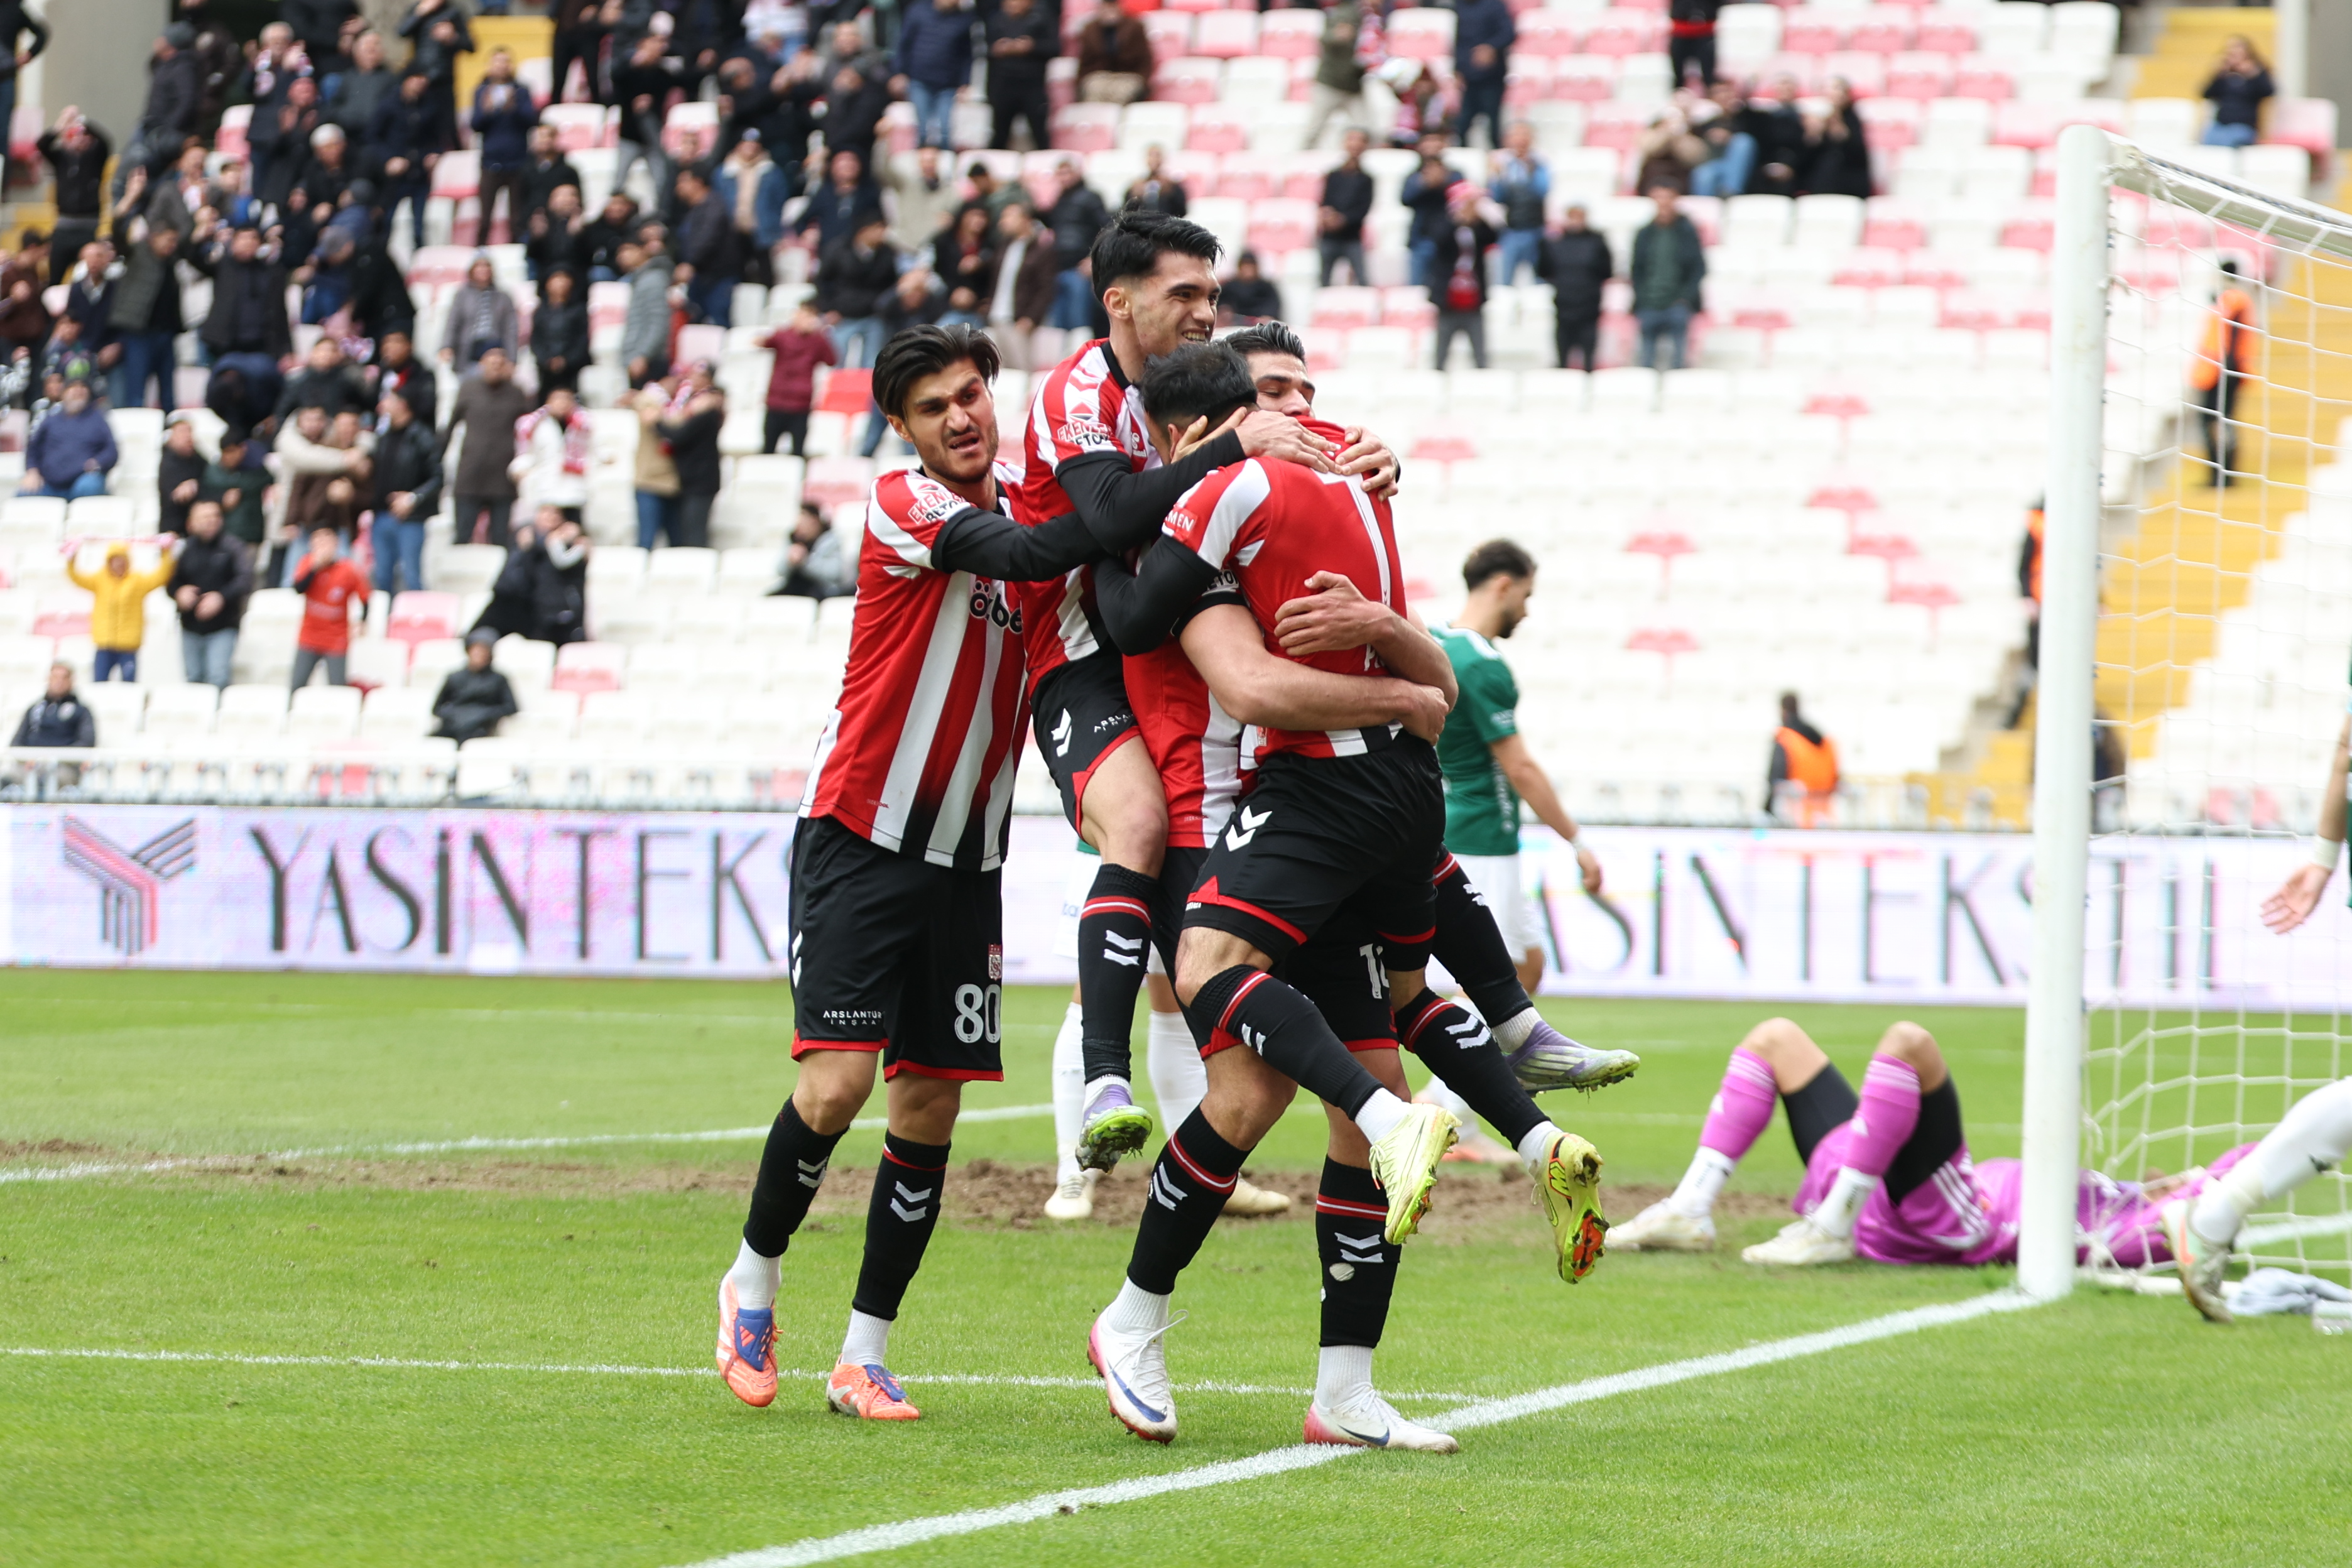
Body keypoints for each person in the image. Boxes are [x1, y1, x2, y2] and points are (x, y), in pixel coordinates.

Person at [1085, 340, 1598, 1451]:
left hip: (1319, 805)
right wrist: (1404, 702)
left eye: (1306, 395)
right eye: (1271, 396)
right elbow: (1240, 678)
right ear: (1211, 420)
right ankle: (1129, 1319)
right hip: (1219, 814)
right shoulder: (1187, 528)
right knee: (1248, 1098)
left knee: (1360, 1089)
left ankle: (1346, 1387)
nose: (1299, 414)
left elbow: (1429, 677)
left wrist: (1400, 668)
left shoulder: (1317, 507)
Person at [711, 324, 1173, 1420]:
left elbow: (1080, 612)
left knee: (927, 1107)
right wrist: (1131, 503)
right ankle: (751, 1278)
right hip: (859, 838)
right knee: (835, 1088)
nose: (961, 417)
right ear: (903, 430)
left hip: (968, 860)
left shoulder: (1029, 520)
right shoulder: (903, 504)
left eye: (972, 395)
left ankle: (863, 1354)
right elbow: (1020, 557)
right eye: (935, 407)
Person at [1004, 210, 1341, 1173]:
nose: (1204, 313)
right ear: (1119, 301)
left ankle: (1283, 1111)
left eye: (1211, 294)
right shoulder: (1079, 390)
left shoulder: (1185, 395)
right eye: (1182, 294)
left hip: (1163, 649)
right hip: (1080, 653)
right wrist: (1232, 450)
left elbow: (1268, 431)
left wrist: (1365, 458)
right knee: (1139, 832)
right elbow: (1110, 513)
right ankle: (1103, 1089)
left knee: (1217, 901)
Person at [1611, 1018, 2230, 1271]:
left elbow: (2219, 1190)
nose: (2175, 1180)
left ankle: (1832, 1227)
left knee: (1909, 1041)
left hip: (1941, 1211)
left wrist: (2215, 1188)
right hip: (1869, 1170)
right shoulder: (2120, 1190)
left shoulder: (2128, 1223)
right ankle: (1688, 1211)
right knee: (1775, 1038)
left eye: (2182, 1184)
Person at [1432, 541, 1604, 996]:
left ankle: (1503, 1067)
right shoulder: (1483, 664)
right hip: (1484, 837)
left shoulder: (1436, 642)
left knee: (1528, 965)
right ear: (1503, 586)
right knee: (1487, 977)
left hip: (1462, 827)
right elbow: (1520, 769)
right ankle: (1454, 1072)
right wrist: (1577, 841)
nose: (1526, 611)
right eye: (1526, 596)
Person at [448, 347, 530, 546]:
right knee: (462, 537)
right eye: (491, 363)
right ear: (481, 365)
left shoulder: (517, 393)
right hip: (471, 473)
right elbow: (451, 425)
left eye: (500, 364)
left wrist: (525, 463)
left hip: (503, 476)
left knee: (501, 540)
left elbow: (529, 428)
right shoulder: (468, 389)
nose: (496, 368)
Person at [169, 499, 254, 689]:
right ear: (192, 522)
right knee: (193, 679)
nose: (211, 521)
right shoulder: (186, 549)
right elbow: (172, 581)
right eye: (205, 517)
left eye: (215, 516)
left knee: (218, 677)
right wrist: (179, 592)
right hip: (190, 626)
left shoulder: (233, 547)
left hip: (223, 626)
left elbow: (245, 580)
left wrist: (221, 597)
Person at [67, 540, 178, 683]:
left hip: (128, 645)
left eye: (121, 560)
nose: (118, 564)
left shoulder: (137, 581)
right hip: (104, 643)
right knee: (99, 684)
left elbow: (160, 576)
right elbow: (77, 578)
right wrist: (71, 560)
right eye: (115, 561)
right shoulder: (100, 580)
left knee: (129, 685)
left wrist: (166, 553)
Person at [369, 384, 443, 595]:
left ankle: (416, 622)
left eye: (389, 400)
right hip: (382, 514)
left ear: (402, 405)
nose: (383, 406)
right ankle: (386, 623)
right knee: (382, 576)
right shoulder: (383, 437)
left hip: (411, 518)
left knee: (411, 576)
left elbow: (438, 477)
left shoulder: (422, 437)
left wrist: (413, 498)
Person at [104, 218, 183, 412]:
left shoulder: (171, 262)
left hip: (166, 334)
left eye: (175, 241)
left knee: (168, 394)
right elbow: (118, 235)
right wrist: (127, 204)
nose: (172, 245)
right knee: (137, 393)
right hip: (139, 334)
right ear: (154, 238)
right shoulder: (136, 253)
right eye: (168, 240)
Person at [190, 222, 293, 365]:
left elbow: (280, 312)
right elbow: (193, 258)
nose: (248, 243)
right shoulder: (223, 266)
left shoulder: (271, 273)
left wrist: (287, 350)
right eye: (243, 238)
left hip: (261, 345)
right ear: (233, 243)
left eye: (253, 239)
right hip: (224, 342)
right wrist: (201, 236)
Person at [2193, 258, 2257, 487]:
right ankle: (2220, 473)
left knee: (2218, 421)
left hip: (2222, 372)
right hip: (2215, 371)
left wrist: (2229, 370)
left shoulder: (2235, 301)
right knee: (2216, 421)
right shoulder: (2229, 300)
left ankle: (2224, 473)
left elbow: (2233, 338)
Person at [1630, 184, 1705, 370]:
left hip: (1678, 303)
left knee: (1678, 361)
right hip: (1649, 302)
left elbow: (1698, 267)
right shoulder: (1645, 234)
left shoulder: (1687, 232)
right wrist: (1642, 296)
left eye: (1667, 198)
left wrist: (1686, 298)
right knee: (1646, 361)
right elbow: (1637, 269)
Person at [469, 49, 539, 242]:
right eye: (497, 62)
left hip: (518, 162)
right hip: (490, 162)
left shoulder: (521, 91)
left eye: (506, 62)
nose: (502, 66)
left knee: (517, 218)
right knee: (484, 218)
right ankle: (480, 256)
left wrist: (513, 108)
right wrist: (488, 111)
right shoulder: (482, 91)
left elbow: (532, 120)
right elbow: (476, 125)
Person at [816, 214, 900, 371]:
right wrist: (827, 309)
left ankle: (867, 395)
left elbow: (892, 284)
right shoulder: (839, 249)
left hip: (874, 315)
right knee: (835, 362)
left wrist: (883, 306)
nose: (883, 233)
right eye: (878, 229)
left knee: (871, 365)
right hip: (843, 315)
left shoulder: (887, 253)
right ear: (864, 231)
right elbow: (823, 281)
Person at [291, 526, 370, 689]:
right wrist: (315, 567)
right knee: (297, 685)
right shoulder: (307, 563)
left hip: (336, 639)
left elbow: (366, 597)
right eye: (318, 543)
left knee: (337, 688)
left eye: (326, 543)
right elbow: (298, 588)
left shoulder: (348, 570)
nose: (323, 547)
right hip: (309, 636)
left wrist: (362, 620)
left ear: (336, 545)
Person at [1537, 204, 1611, 371]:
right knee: (1563, 359)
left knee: (1589, 360)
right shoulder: (1554, 243)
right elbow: (1544, 271)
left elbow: (1606, 271)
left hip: (1589, 308)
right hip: (1564, 306)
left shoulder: (1597, 243)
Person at [37, 110, 109, 284]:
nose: (81, 139)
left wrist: (82, 121)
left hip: (88, 226)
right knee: (55, 277)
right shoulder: (62, 159)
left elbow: (105, 141)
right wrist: (61, 124)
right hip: (64, 225)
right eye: (76, 135)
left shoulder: (95, 159)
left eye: (85, 135)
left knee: (86, 278)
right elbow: (42, 144)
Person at [986, 202, 1058, 373]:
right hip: (997, 316)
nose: (1003, 222)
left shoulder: (1041, 250)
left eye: (1009, 217)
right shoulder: (1003, 246)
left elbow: (1046, 288)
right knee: (999, 370)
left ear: (1025, 219)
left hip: (1019, 318)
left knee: (1022, 369)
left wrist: (1031, 317)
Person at [891, 0, 973, 151]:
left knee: (945, 131)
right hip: (919, 80)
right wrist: (899, 73)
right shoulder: (918, 11)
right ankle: (921, 167)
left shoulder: (964, 20)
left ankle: (944, 169)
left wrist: (965, 83)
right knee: (922, 130)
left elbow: (967, 56)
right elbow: (904, 43)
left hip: (948, 84)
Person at [1429, 188, 1496, 369]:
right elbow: (1439, 241)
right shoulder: (1443, 222)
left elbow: (1493, 237)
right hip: (1448, 299)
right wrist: (1456, 221)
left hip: (1473, 300)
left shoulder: (1477, 228)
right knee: (1441, 352)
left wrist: (1477, 218)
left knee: (1480, 353)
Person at [1044, 160, 1111, 340]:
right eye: (1061, 173)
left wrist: (1093, 258)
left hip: (1080, 269)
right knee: (1058, 327)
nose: (1064, 178)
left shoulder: (1091, 197)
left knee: (1079, 324)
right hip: (1058, 267)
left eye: (1068, 172)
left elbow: (1107, 228)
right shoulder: (1059, 201)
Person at [762, 299, 836, 456]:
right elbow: (763, 342)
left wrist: (822, 334)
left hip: (800, 404)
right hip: (777, 401)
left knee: (798, 451)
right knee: (768, 449)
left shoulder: (818, 340)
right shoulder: (783, 335)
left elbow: (831, 360)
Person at [19, 379, 115, 500]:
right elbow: (33, 449)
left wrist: (97, 463)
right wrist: (32, 472)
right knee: (24, 495)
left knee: (89, 486)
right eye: (73, 388)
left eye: (83, 388)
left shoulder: (98, 419)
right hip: (50, 485)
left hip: (83, 480)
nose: (78, 391)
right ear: (63, 394)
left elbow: (111, 450)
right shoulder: (50, 420)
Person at [511, 384, 591, 525]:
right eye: (558, 399)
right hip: (546, 486)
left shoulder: (584, 424)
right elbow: (527, 451)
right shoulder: (536, 425)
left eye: (566, 399)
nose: (562, 404)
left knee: (571, 528)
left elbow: (594, 449)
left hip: (573, 487)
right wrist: (520, 468)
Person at [660, 378, 726, 548]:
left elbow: (678, 437)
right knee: (688, 530)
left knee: (694, 532)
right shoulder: (702, 417)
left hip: (700, 483)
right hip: (692, 481)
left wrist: (656, 423)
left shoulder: (707, 417)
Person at [985, 0, 1054, 153]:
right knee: (1000, 135)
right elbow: (983, 50)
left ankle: (1045, 165)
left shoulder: (1041, 19)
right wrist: (997, 49)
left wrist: (1032, 47)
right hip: (1003, 85)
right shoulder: (996, 21)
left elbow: (1055, 47)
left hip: (1032, 85)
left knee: (1040, 135)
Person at [1304, 0, 1373, 150]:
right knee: (1314, 130)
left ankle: (1362, 166)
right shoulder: (1346, 13)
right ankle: (1299, 163)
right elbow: (1326, 39)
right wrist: (1337, 36)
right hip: (1331, 83)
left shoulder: (1375, 19)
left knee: (1366, 129)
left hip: (1354, 86)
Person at [432, 627, 520, 743]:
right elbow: (437, 708)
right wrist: (455, 715)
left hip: (481, 728)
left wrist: (484, 714)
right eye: (475, 650)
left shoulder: (499, 679)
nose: (478, 654)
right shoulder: (455, 677)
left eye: (483, 650)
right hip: (453, 726)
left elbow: (511, 708)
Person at [1489, 122, 1549, 286]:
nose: (1520, 141)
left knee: (1539, 279)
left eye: (1524, 135)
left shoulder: (1540, 163)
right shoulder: (1504, 164)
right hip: (1511, 229)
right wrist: (1497, 175)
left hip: (1536, 228)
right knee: (1504, 281)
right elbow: (1496, 196)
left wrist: (1531, 170)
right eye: (1516, 136)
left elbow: (1542, 190)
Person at [1398, 131, 1459, 289]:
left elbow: (1462, 201)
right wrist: (1425, 185)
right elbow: (1405, 199)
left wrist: (1443, 182)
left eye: (1436, 143)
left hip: (1447, 240)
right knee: (1416, 289)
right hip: (1420, 237)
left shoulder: (1454, 174)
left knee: (1443, 289)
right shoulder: (1414, 176)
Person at [1768, 690, 1838, 824]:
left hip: (1794, 817)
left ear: (1782, 710)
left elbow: (1775, 779)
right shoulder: (1823, 740)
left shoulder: (1785, 738)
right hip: (1824, 818)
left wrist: (1768, 810)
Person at [1454, 0, 1514, 150]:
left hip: (1491, 77)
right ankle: (1464, 155)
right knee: (1463, 123)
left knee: (1492, 122)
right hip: (1468, 76)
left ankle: (1497, 156)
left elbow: (1508, 33)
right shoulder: (1459, 6)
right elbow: (1458, 40)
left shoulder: (1494, 6)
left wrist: (1491, 47)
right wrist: (1457, 68)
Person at [441, 254, 520, 369]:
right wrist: (447, 346)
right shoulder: (462, 296)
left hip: (495, 348)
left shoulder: (503, 297)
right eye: (479, 266)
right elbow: (453, 323)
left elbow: (510, 329)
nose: (483, 270)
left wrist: (512, 359)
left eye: (487, 266)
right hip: (469, 348)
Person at [1317, 129, 1374, 286]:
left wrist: (1343, 220)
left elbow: (1364, 208)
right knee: (1323, 281)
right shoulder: (1333, 175)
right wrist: (1328, 217)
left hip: (1352, 237)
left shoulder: (1366, 179)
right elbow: (1324, 201)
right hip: (1329, 237)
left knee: (1362, 280)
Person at [1797, 78, 1871, 199]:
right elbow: (1806, 156)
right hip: (1819, 181)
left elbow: (1856, 153)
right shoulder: (1815, 119)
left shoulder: (1852, 119)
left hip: (1848, 179)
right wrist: (1813, 135)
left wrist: (1836, 124)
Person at [619, 234, 676, 387]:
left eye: (629, 250)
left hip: (649, 360)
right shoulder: (642, 279)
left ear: (642, 250)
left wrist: (643, 355)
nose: (623, 256)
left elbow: (658, 321)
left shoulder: (653, 279)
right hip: (639, 357)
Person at [931, 204, 998, 327]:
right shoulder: (944, 241)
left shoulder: (991, 245)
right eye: (974, 216)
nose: (978, 221)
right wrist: (954, 293)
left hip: (979, 310)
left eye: (983, 217)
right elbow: (936, 272)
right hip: (946, 306)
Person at [1075, 0, 1152, 105]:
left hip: (1128, 75)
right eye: (1106, 7)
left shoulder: (1135, 27)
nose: (1109, 11)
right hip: (1099, 75)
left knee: (1122, 92)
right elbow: (1085, 61)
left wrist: (1142, 80)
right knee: (1094, 90)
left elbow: (1144, 59)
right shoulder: (1091, 30)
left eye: (1112, 7)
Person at [530, 511, 591, 645]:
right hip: (542, 606)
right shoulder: (538, 543)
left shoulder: (575, 550)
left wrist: (580, 548)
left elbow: (564, 562)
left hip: (566, 607)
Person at [2202, 35, 2273, 148]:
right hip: (2221, 124)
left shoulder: (2256, 73)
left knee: (2231, 142)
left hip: (2244, 126)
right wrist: (2218, 75)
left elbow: (2269, 92)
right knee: (2209, 144)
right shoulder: (2224, 75)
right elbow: (2206, 94)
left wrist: (2253, 74)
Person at [776, 500, 854, 600]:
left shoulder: (831, 541)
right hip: (795, 588)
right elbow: (779, 571)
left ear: (816, 522)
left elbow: (836, 573)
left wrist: (805, 562)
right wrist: (789, 561)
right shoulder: (793, 540)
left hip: (822, 590)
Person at [530, 267, 590, 395]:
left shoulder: (578, 310)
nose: (561, 284)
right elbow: (536, 340)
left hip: (572, 367)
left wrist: (566, 360)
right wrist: (547, 360)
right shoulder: (540, 312)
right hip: (545, 367)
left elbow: (581, 339)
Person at [11, 663, 95, 749]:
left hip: (65, 760)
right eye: (55, 677)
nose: (59, 682)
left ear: (71, 681)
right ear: (49, 680)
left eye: (64, 678)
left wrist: (60, 757)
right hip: (32, 760)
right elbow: (17, 741)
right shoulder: (35, 709)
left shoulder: (81, 711)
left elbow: (87, 742)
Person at [158, 415, 209, 536]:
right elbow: (177, 496)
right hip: (175, 528)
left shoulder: (197, 458)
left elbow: (209, 477)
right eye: (182, 432)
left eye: (189, 431)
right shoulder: (168, 463)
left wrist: (196, 485)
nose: (187, 437)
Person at [1218, 251, 1282, 325]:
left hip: (1260, 324)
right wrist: (1224, 310)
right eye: (1245, 266)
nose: (1248, 270)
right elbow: (1222, 303)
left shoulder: (1266, 287)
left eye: (1250, 266)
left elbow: (1272, 306)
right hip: (1234, 324)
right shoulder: (1230, 286)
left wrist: (1267, 316)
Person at [1124, 145, 1188, 218]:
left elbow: (1182, 211)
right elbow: (1126, 210)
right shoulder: (1137, 186)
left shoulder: (1171, 186)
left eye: (1157, 155)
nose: (1154, 159)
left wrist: (1170, 193)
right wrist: (1135, 196)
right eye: (1150, 155)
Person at [1668, 0, 1720, 88]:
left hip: (1705, 31)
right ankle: (1679, 96)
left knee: (1709, 75)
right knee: (1677, 75)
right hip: (1681, 31)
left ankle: (1710, 96)